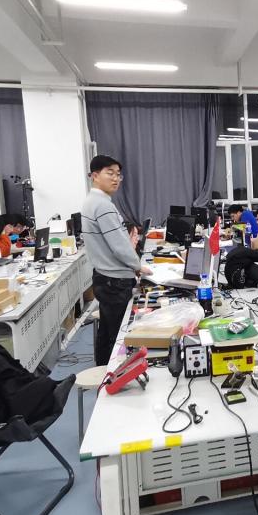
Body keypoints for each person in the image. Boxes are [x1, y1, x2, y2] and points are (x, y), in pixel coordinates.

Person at [80, 155, 153, 367]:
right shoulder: (102, 205)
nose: (115, 179)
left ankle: (104, 370)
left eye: (118, 174)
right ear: (95, 176)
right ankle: (112, 375)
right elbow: (119, 245)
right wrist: (138, 266)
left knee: (108, 330)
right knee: (117, 335)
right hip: (114, 280)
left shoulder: (93, 201)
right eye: (109, 173)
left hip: (105, 276)